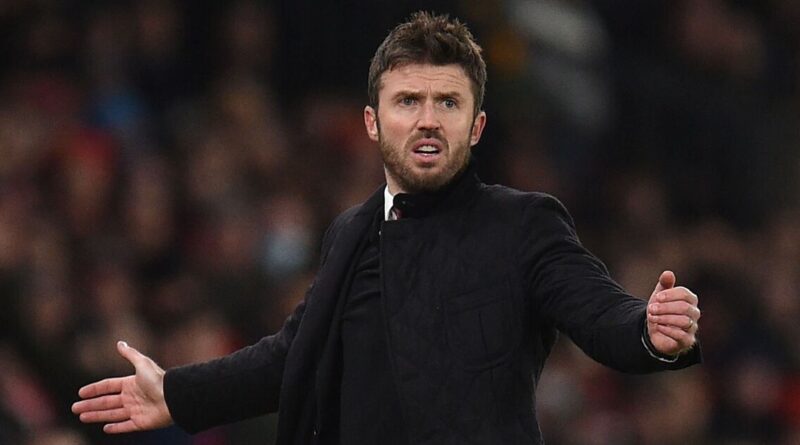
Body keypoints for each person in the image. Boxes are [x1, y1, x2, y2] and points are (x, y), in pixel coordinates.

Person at [72, 11, 701, 444]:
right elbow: (292, 358)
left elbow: (598, 312)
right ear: (373, 122)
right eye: (408, 101)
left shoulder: (524, 224)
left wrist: (648, 332)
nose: (428, 120)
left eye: (448, 102)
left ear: (477, 127)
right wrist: (175, 394)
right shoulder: (350, 232)